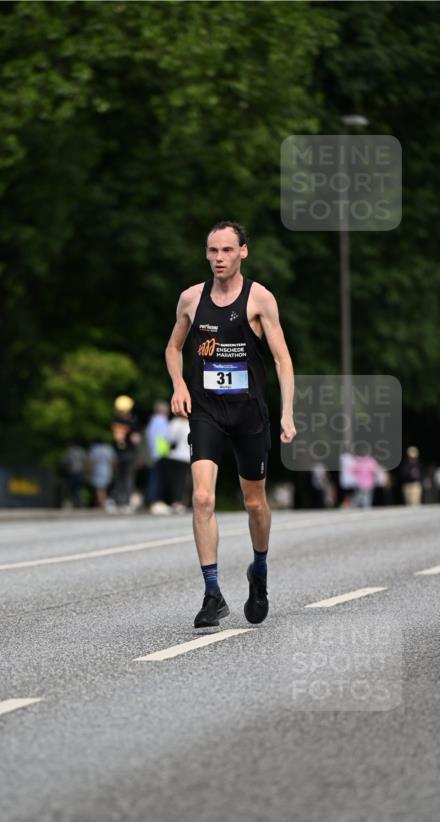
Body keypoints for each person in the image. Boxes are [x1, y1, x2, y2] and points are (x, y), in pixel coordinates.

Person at [165, 220, 296, 628]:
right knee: (202, 498)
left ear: (243, 252)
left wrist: (287, 413)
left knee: (253, 501)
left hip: (248, 414)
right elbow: (173, 347)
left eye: (226, 250)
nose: (218, 258)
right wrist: (179, 384)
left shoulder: (260, 299)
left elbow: (282, 360)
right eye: (212, 251)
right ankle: (212, 593)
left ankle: (259, 570)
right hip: (206, 410)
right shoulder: (190, 298)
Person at [110, 395, 141, 511]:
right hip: (129, 452)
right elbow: (136, 439)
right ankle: (126, 502)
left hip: (118, 452)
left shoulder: (115, 421)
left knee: (118, 477)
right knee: (128, 477)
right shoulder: (132, 422)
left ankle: (118, 502)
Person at [144, 401, 171, 507]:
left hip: (154, 453)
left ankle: (151, 500)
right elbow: (166, 437)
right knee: (157, 479)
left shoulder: (152, 421)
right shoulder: (161, 421)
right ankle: (155, 501)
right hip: (161, 453)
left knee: (153, 477)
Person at [165, 412, 191, 512]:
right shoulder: (189, 424)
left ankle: (174, 501)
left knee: (174, 480)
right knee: (182, 481)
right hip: (184, 457)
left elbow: (168, 438)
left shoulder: (173, 423)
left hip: (173, 455)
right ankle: (179, 502)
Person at [87, 437, 116, 508]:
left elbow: (91, 461)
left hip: (97, 470)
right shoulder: (108, 448)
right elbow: (113, 460)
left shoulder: (94, 449)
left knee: (98, 488)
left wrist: (89, 471)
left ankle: (101, 503)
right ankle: (102, 502)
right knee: (103, 488)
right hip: (107, 470)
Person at [61, 441, 87, 507]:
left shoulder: (69, 451)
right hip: (80, 472)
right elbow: (85, 461)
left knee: (73, 489)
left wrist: (66, 470)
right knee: (77, 488)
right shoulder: (81, 451)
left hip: (73, 472)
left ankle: (78, 502)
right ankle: (79, 501)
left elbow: (65, 462)